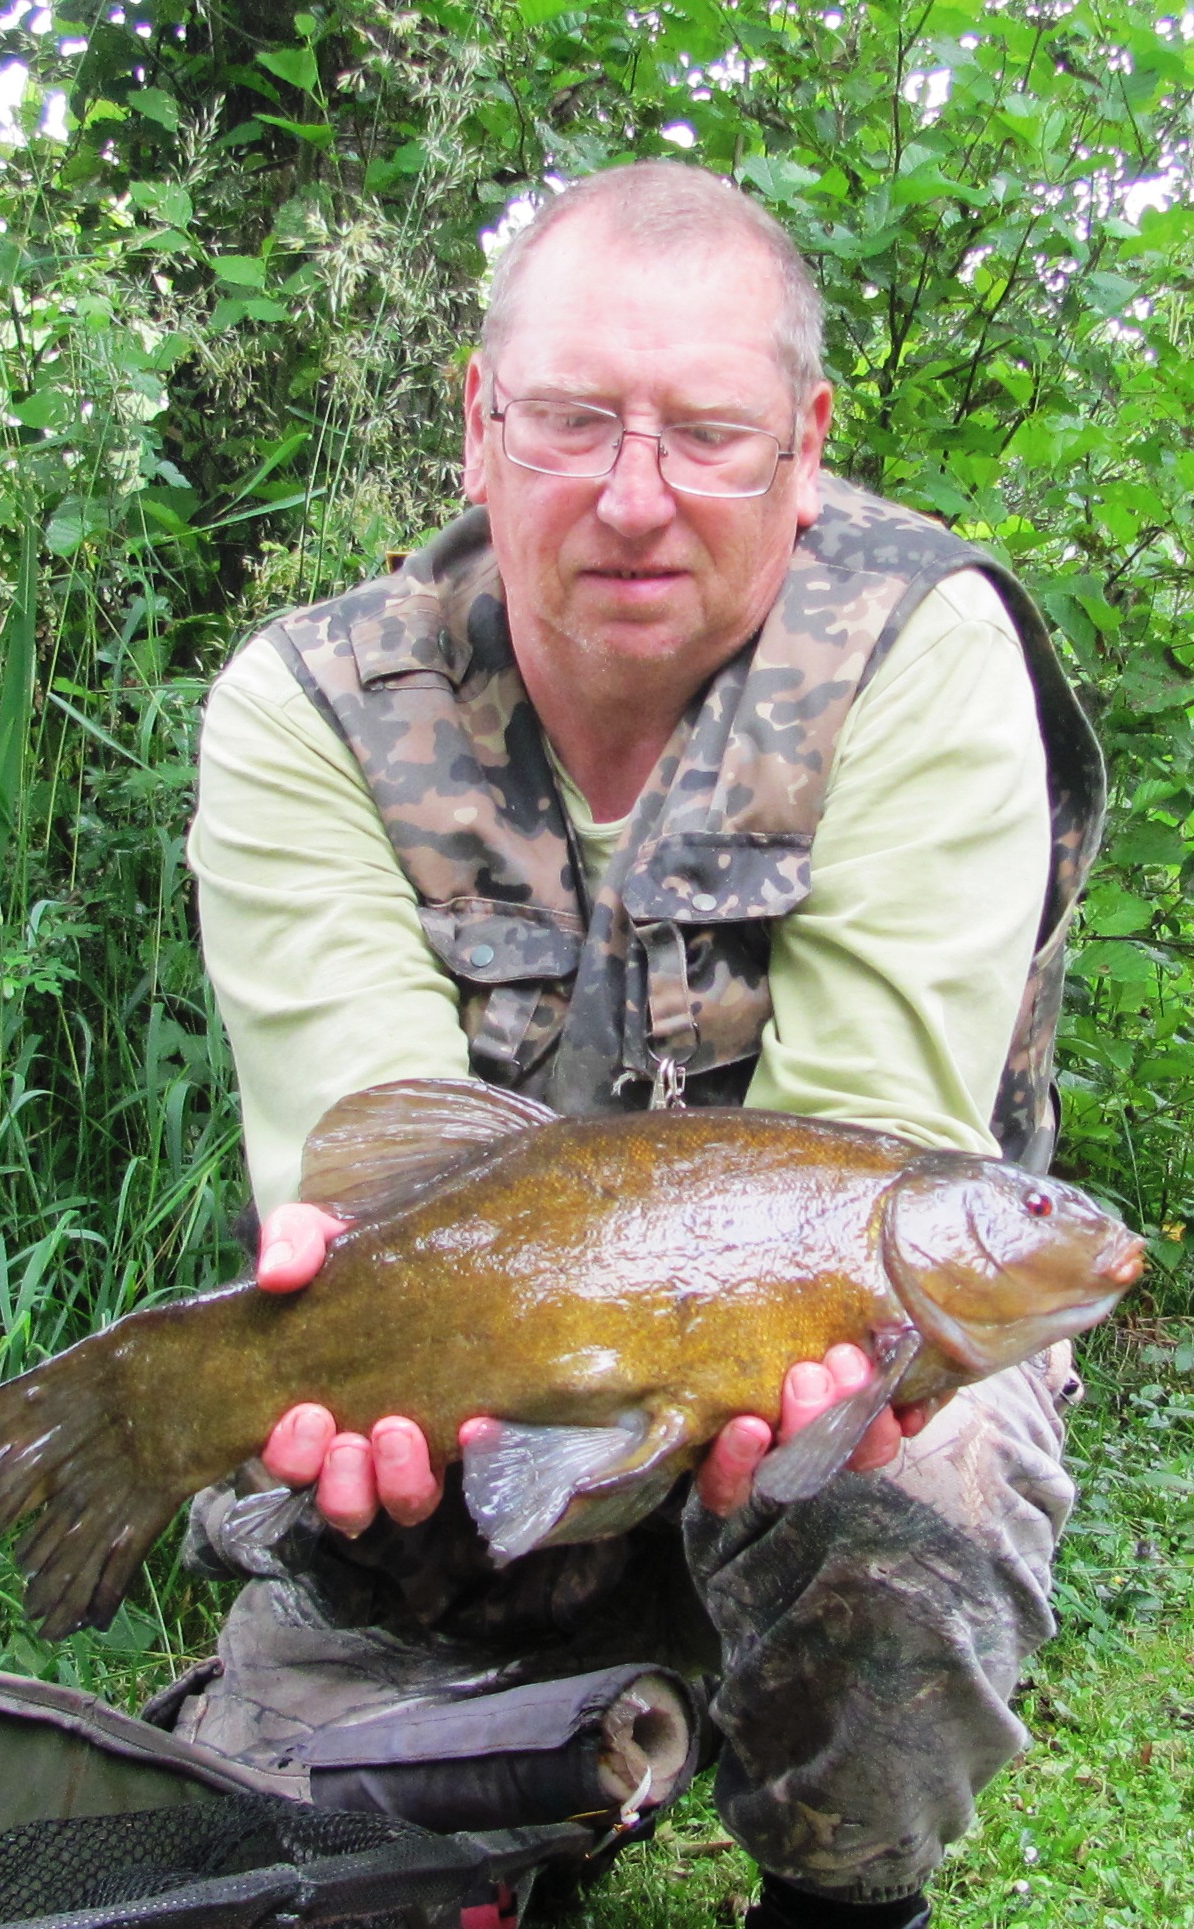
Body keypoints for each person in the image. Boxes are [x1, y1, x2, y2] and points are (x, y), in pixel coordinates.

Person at [183, 161, 1104, 1929]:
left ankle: (840, 1894)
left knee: (932, 1442)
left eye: (705, 433)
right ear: (476, 425)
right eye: (573, 423)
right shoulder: (306, 708)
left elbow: (871, 1176)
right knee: (302, 1880)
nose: (633, 498)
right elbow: (371, 1178)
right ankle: (509, 1795)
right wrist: (343, 1346)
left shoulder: (916, 649)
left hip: (800, 1432)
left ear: (807, 443)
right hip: (461, 1438)